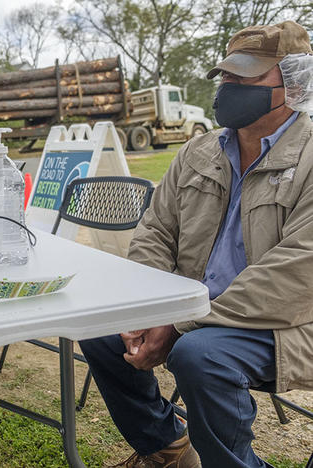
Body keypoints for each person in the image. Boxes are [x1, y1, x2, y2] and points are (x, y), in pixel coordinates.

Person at [79, 21, 313, 468]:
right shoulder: (198, 151)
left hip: (289, 320)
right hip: (192, 310)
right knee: (100, 324)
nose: (229, 87)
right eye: (227, 75)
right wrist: (150, 310)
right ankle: (166, 448)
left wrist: (181, 324)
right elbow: (155, 232)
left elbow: (296, 276)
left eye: (247, 77)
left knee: (200, 355)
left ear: (293, 83)